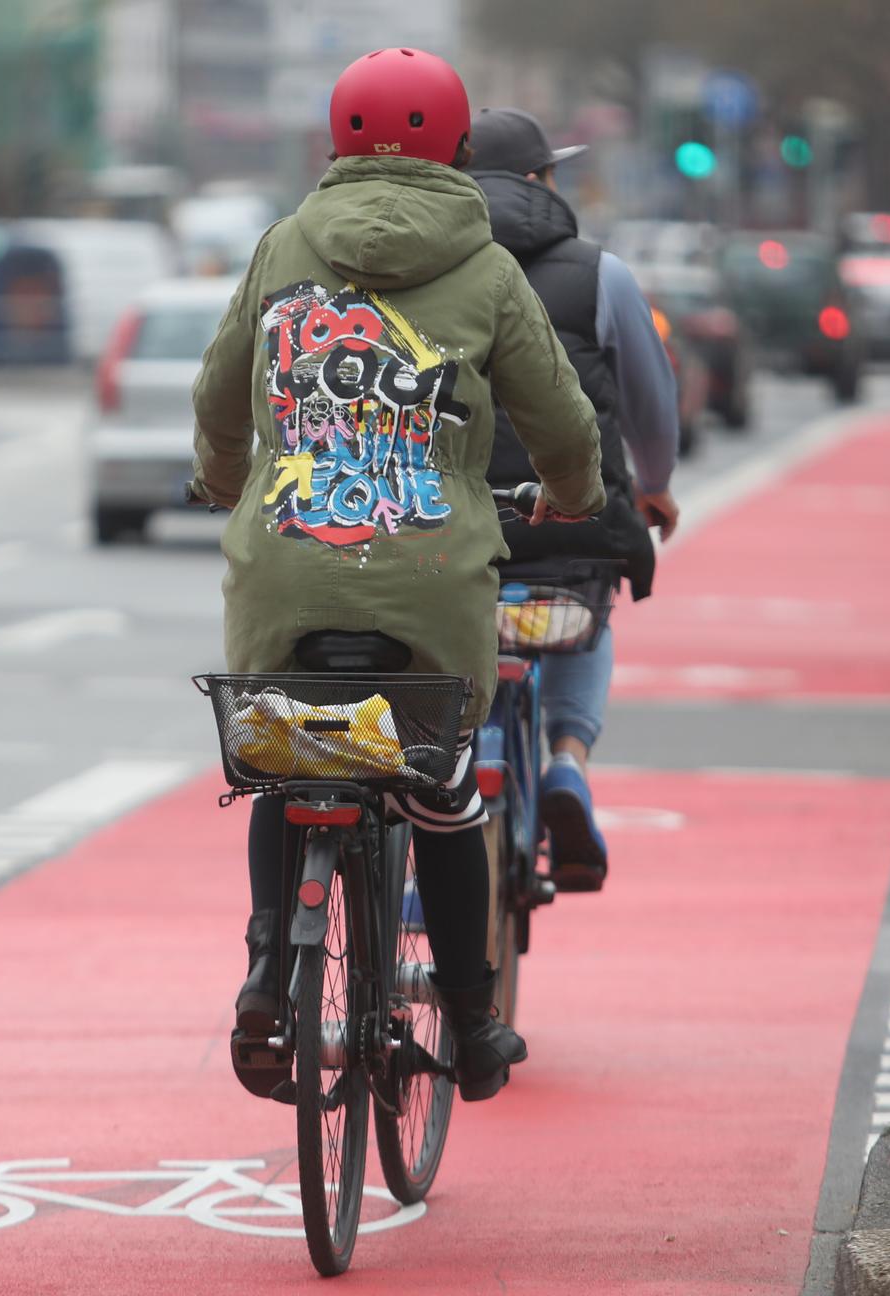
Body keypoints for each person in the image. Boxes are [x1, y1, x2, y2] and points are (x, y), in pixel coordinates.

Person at [189, 50, 606, 1103]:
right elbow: (559, 414)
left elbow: (217, 390)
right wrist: (574, 491)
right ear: (461, 151)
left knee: (289, 761)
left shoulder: (284, 245)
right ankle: (471, 1022)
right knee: (444, 795)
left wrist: (223, 480)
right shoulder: (488, 266)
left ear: (334, 145)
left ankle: (265, 975)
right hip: (429, 585)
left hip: (282, 576)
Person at [468, 108, 682, 893]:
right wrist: (654, 485)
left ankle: (448, 795)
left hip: (450, 527)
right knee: (583, 617)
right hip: (570, 520)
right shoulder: (601, 274)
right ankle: (566, 761)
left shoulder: (429, 273)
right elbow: (651, 402)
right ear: (539, 182)